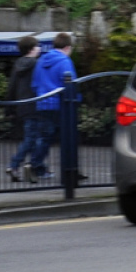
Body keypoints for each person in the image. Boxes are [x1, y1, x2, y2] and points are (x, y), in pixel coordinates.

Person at [27, 31, 81, 183]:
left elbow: (35, 84)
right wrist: (77, 99)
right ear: (68, 47)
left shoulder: (41, 61)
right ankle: (70, 170)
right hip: (61, 106)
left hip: (43, 104)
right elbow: (71, 84)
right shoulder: (65, 61)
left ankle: (35, 165)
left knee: (44, 138)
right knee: (69, 138)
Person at [5, 35, 42, 182]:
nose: (39, 48)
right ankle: (14, 165)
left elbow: (11, 87)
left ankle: (35, 168)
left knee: (32, 137)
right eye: (37, 46)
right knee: (32, 138)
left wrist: (9, 108)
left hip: (22, 105)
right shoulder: (36, 64)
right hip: (34, 104)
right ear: (32, 49)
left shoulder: (17, 65)